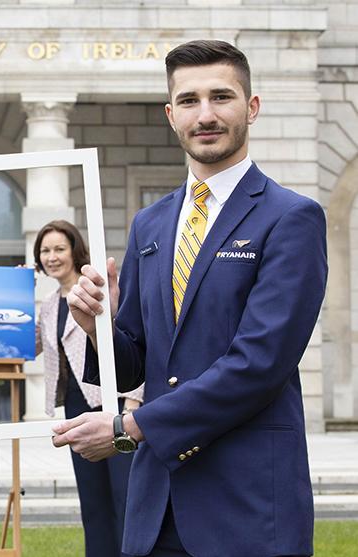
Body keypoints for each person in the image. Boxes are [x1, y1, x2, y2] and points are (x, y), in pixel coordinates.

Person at [54, 39, 326, 557]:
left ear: (251, 107)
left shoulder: (292, 218)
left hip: (245, 504)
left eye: (221, 97)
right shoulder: (150, 223)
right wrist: (96, 326)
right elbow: (135, 361)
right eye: (189, 101)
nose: (205, 114)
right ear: (170, 115)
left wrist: (129, 428)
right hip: (157, 506)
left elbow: (258, 364)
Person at [34, 219, 143, 557]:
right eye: (45, 251)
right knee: (92, 500)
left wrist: (134, 404)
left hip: (113, 406)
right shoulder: (49, 305)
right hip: (74, 406)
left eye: (59, 249)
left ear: (74, 250)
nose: (52, 257)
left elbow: (134, 341)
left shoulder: (95, 289)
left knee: (125, 496)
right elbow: (30, 346)